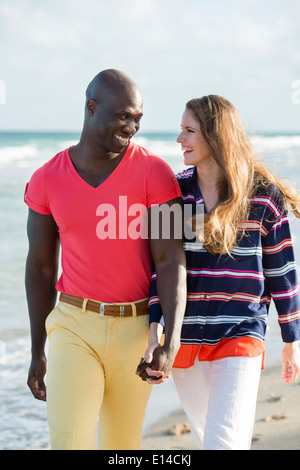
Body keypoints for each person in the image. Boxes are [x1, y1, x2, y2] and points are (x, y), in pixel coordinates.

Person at [24, 69, 187, 450]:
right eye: (123, 116)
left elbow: (170, 259)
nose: (132, 127)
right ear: (92, 108)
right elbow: (40, 267)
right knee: (68, 441)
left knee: (122, 447)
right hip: (74, 326)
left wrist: (170, 338)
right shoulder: (46, 178)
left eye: (138, 119)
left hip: (136, 333)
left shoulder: (157, 173)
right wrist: (37, 351)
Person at [136, 95, 300, 450]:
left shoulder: (263, 196)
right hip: (186, 342)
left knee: (223, 443)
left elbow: (282, 270)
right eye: (181, 130)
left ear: (216, 136)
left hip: (241, 335)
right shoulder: (174, 193)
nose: (180, 139)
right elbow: (159, 271)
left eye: (189, 131)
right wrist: (156, 333)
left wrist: (291, 338)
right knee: (207, 437)